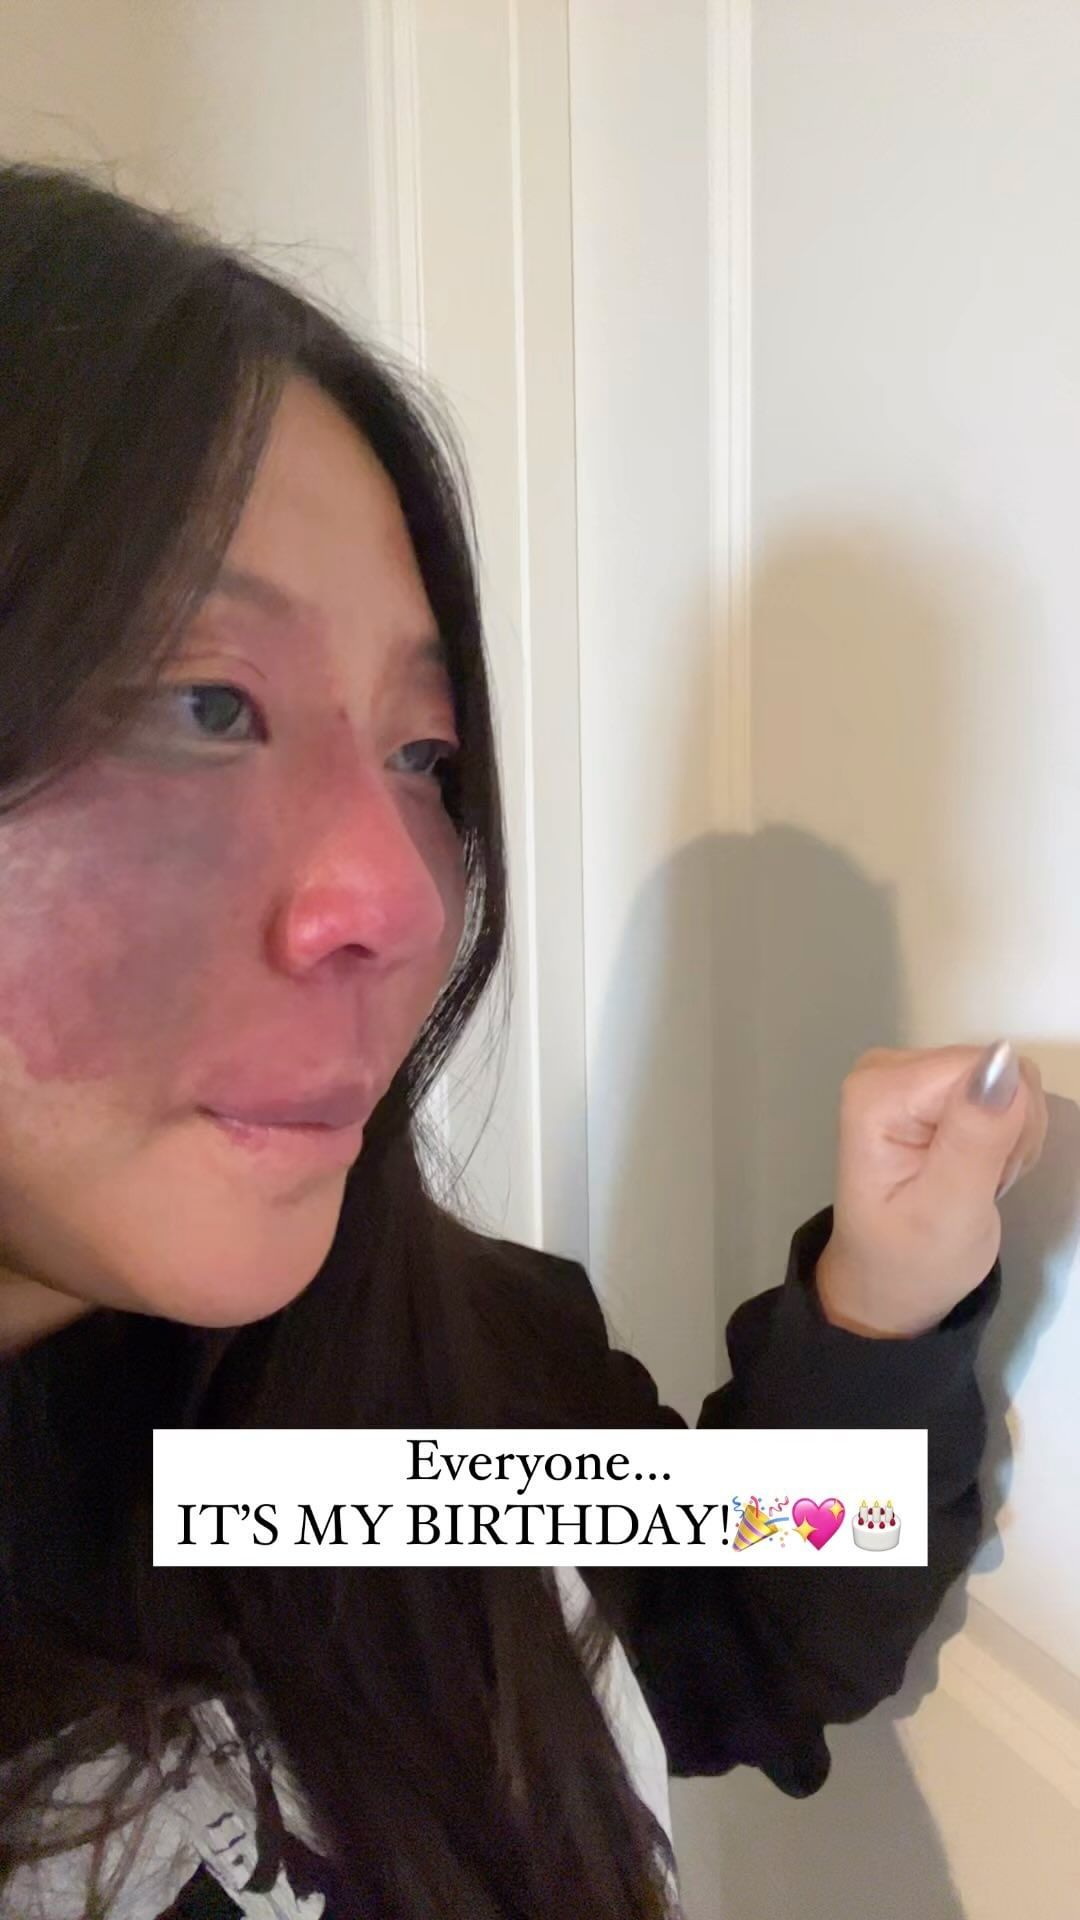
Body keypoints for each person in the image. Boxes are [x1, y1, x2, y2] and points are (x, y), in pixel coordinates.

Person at [0, 162, 1047, 1920]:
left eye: (424, 757)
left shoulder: (322, 1435)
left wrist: (884, 1303)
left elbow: (745, 1615)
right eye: (207, 704)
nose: (402, 899)